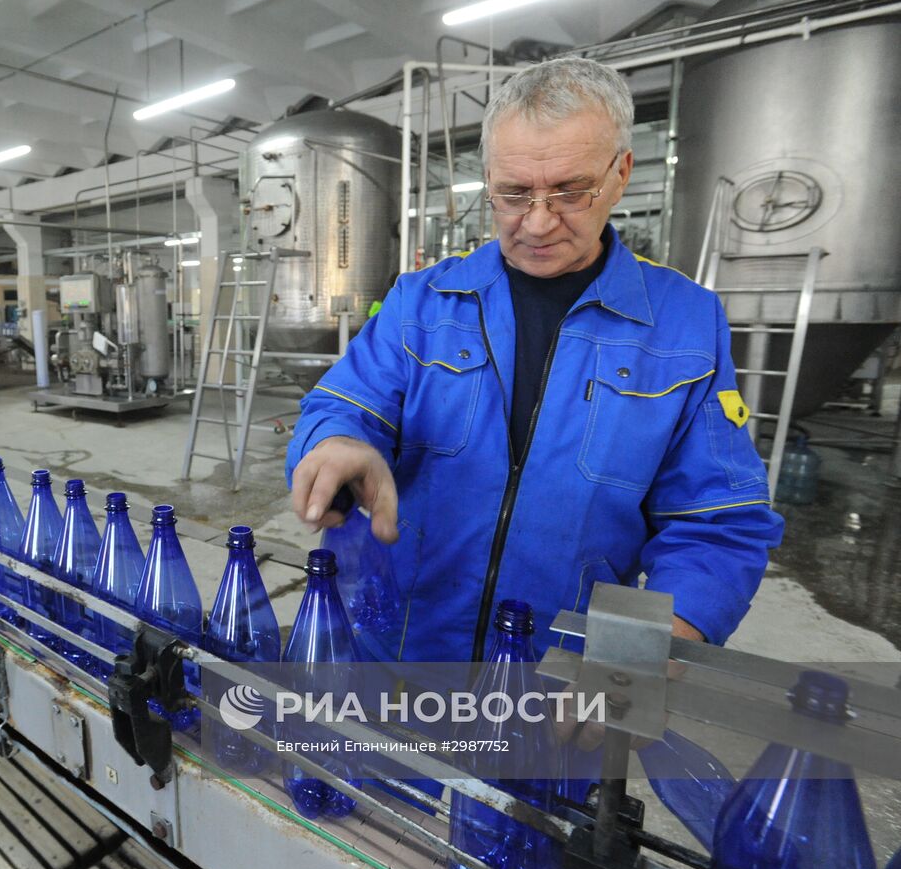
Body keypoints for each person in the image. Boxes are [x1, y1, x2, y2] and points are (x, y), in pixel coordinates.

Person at [286, 56, 783, 664]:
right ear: (487, 179)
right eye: (514, 193)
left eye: (571, 191)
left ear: (620, 173)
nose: (539, 221)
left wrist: (656, 643)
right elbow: (345, 404)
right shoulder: (423, 302)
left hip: (560, 678)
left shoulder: (685, 323)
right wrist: (336, 440)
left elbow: (719, 522)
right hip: (395, 649)